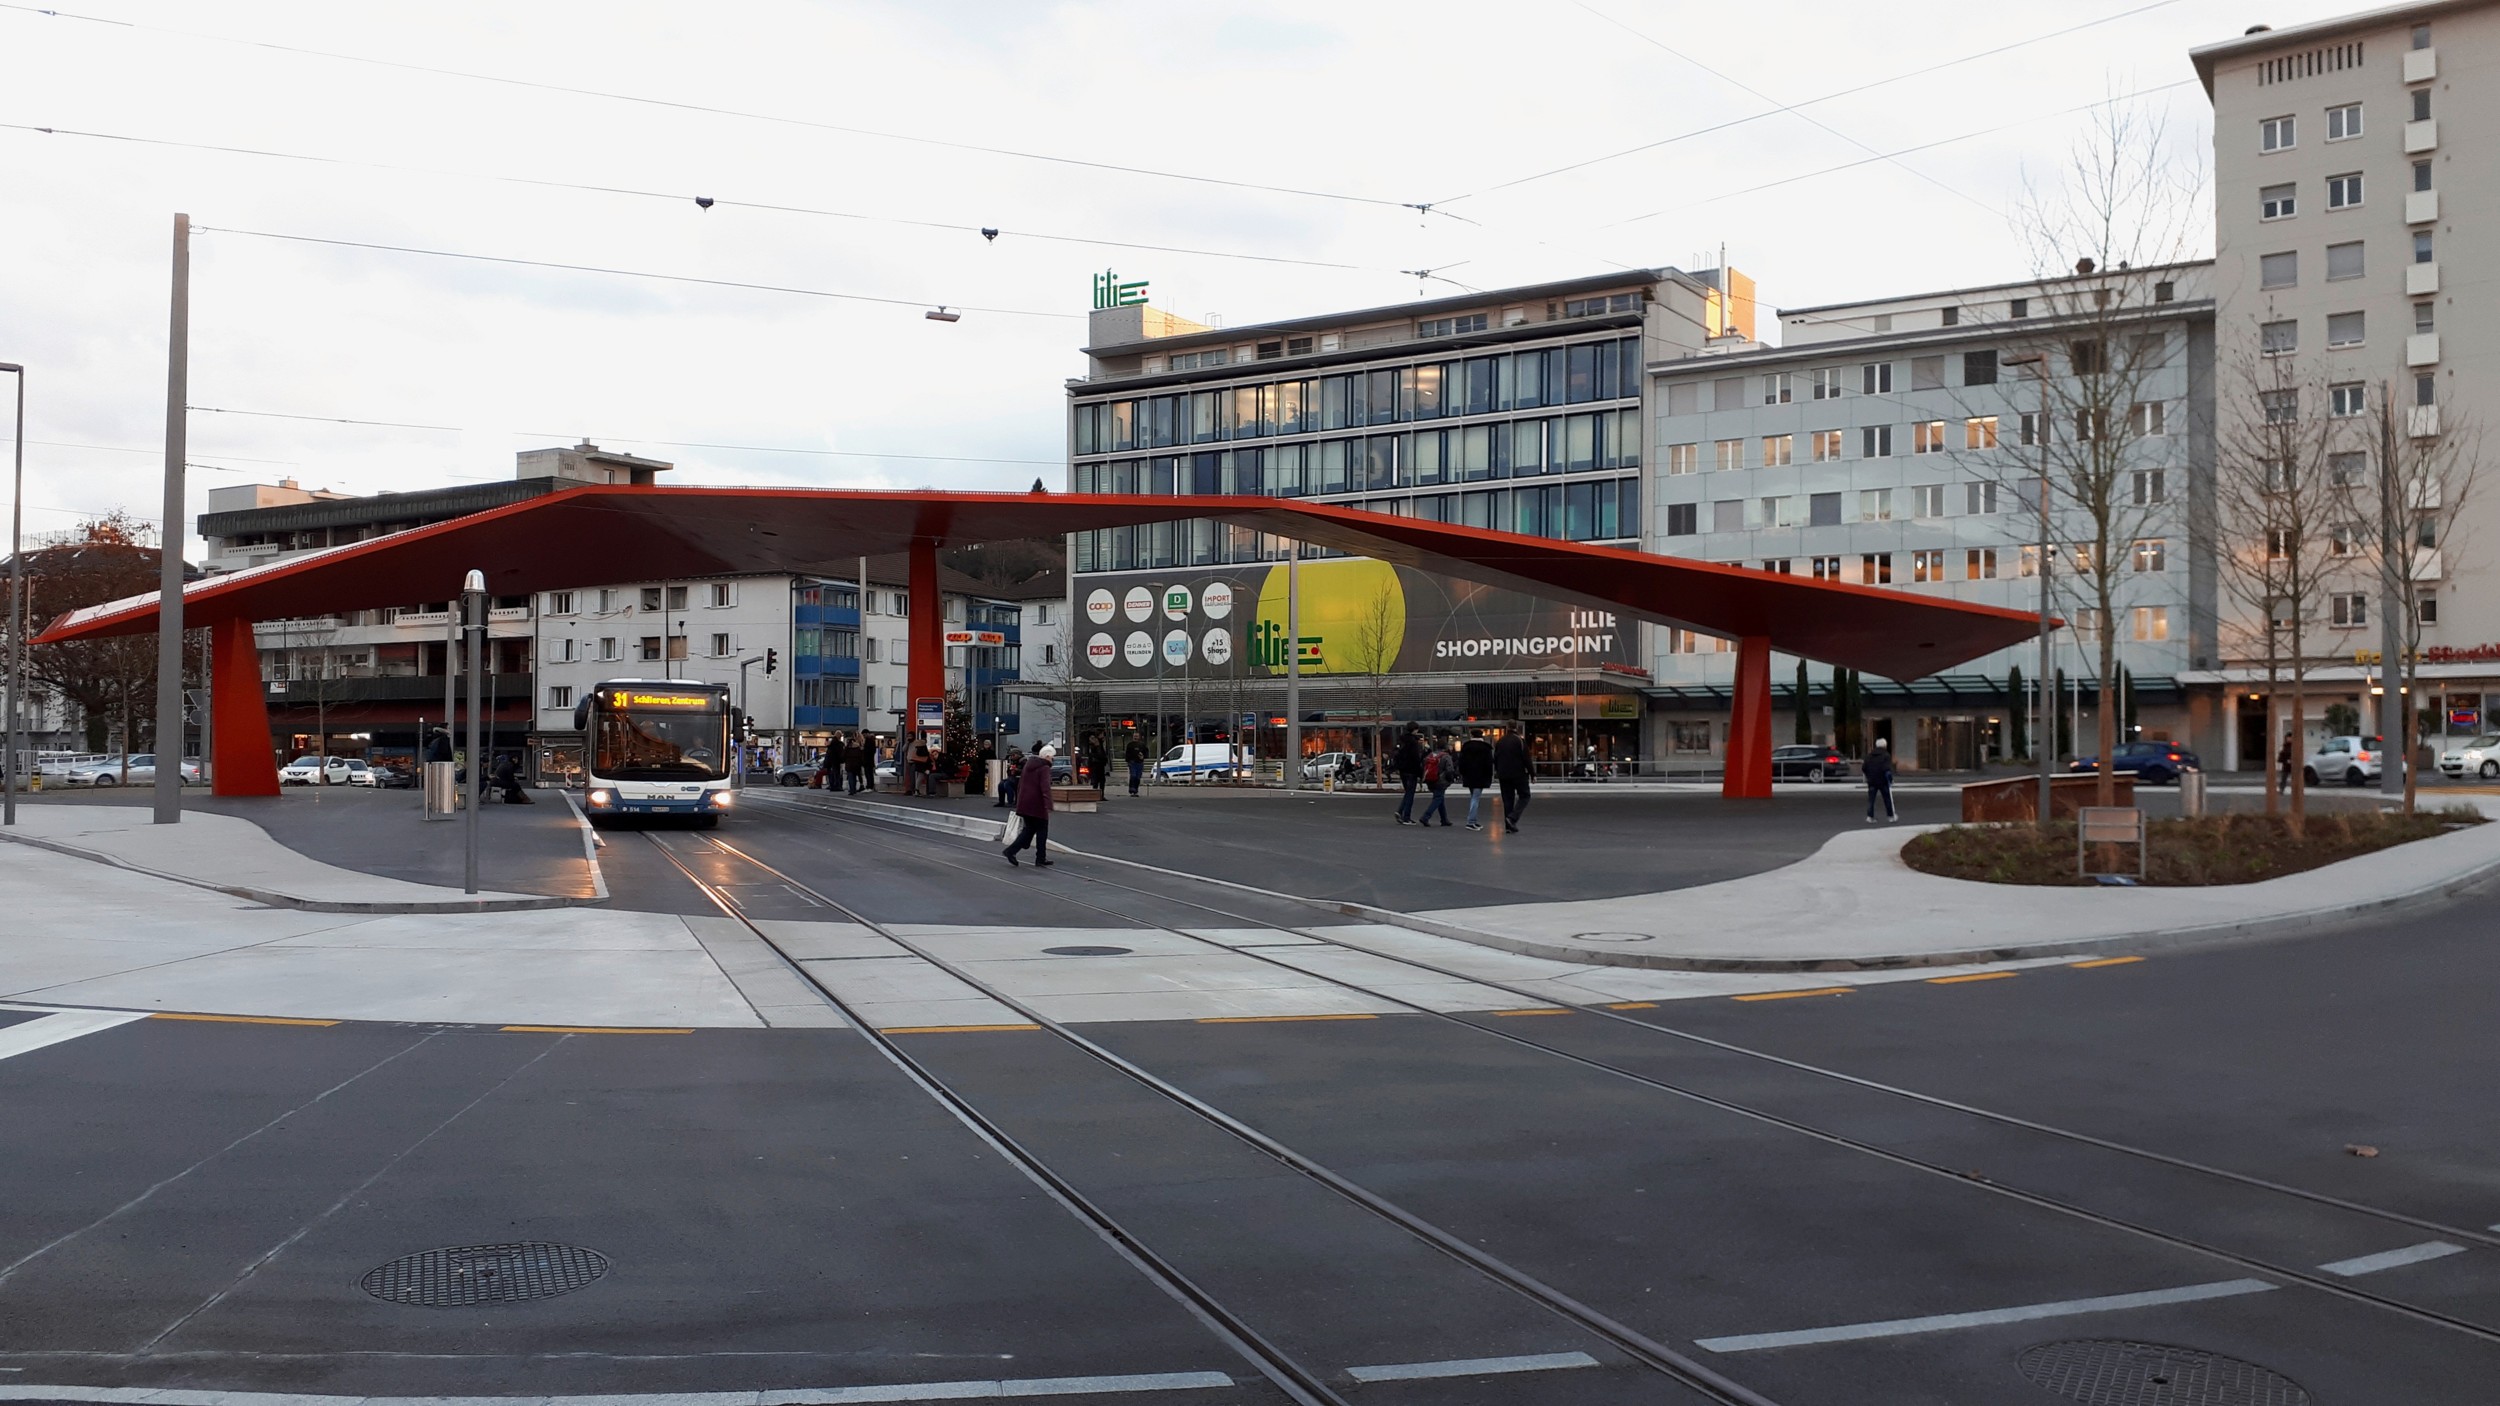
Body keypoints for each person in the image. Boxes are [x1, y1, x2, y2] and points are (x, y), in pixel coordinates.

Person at [1004, 744, 1056, 867]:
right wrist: (1048, 803)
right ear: (1047, 756)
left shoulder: (1029, 764)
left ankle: (1013, 851)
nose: (1052, 760)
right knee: (1042, 830)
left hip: (1025, 802)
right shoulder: (1044, 768)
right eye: (1052, 757)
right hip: (1037, 804)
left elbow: (1021, 783)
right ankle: (1039, 858)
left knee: (1030, 829)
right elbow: (1045, 787)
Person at [1493, 729, 1532, 833]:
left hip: (1504, 774)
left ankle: (1509, 826)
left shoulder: (1500, 741)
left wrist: (1498, 770)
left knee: (1507, 799)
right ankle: (1512, 818)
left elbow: (1495, 757)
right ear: (1516, 729)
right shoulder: (1520, 741)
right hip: (1518, 773)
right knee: (1525, 795)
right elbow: (1526, 758)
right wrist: (1532, 773)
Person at [1457, 728, 1495, 831]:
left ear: (1472, 735)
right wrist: (1490, 777)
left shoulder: (1466, 746)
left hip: (1469, 775)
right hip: (1481, 776)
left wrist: (1462, 773)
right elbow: (1489, 764)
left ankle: (1473, 820)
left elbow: (1461, 762)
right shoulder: (1486, 748)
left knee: (1473, 797)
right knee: (1475, 798)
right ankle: (1471, 821)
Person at [1417, 735, 1454, 828]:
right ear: (1445, 747)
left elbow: (1423, 765)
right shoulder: (1446, 756)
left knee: (1439, 798)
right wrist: (1450, 779)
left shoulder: (1430, 755)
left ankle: (1444, 819)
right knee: (1438, 798)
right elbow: (1449, 770)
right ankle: (1426, 816)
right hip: (1441, 780)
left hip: (1430, 780)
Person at [1391, 725, 1425, 825]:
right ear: (1415, 730)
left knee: (1408, 792)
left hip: (1403, 770)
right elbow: (1416, 758)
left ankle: (1400, 811)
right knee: (1410, 794)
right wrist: (1420, 772)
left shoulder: (1401, 741)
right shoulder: (1413, 742)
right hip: (1412, 770)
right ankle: (1406, 816)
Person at [1864, 736, 1897, 823]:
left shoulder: (1869, 755)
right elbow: (1887, 769)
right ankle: (1890, 816)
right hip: (1883, 781)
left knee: (1871, 800)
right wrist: (1890, 779)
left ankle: (1869, 816)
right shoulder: (1886, 755)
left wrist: (1868, 775)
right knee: (1887, 799)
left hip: (1872, 780)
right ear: (1885, 746)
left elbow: (1864, 767)